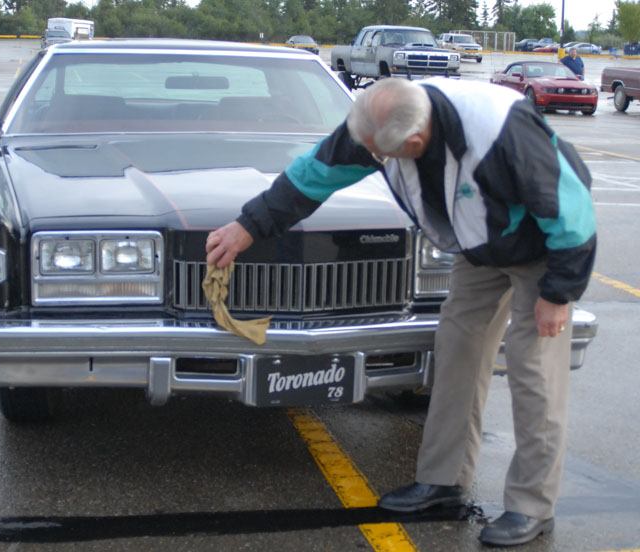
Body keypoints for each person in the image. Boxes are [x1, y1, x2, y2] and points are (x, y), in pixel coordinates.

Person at [205, 77, 596, 547]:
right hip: (479, 247)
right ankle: (443, 481)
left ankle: (533, 506)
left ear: (413, 141)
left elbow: (571, 212)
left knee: (534, 370)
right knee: (456, 350)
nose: (372, 159)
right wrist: (247, 226)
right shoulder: (376, 122)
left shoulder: (500, 130)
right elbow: (314, 175)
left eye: (381, 156)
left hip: (543, 248)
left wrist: (559, 292)